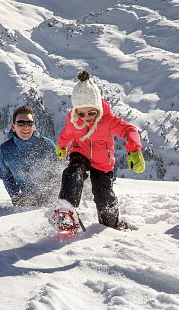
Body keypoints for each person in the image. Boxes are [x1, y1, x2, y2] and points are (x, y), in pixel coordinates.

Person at [53, 70, 145, 229]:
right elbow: (67, 132)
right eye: (81, 113)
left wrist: (134, 150)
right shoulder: (74, 120)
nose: (87, 117)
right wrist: (62, 145)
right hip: (79, 153)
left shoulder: (107, 120)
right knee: (72, 172)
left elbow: (129, 130)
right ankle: (66, 210)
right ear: (76, 112)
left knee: (103, 195)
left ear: (98, 108)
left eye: (91, 112)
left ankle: (112, 224)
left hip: (102, 162)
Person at [0, 105, 61, 206]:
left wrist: (52, 194)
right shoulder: (5, 149)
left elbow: (60, 169)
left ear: (34, 126)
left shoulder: (47, 144)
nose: (26, 126)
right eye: (21, 123)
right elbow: (6, 177)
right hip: (27, 204)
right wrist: (16, 197)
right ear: (13, 127)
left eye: (29, 123)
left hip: (51, 202)